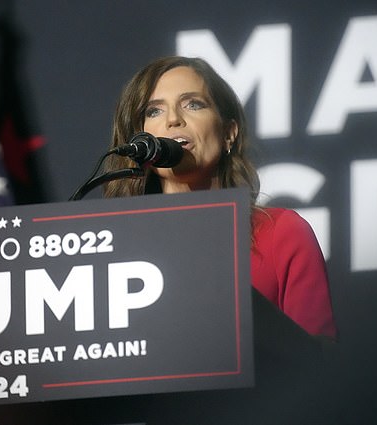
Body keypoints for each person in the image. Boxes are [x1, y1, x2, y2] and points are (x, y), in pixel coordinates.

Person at [103, 56, 337, 339]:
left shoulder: (281, 233)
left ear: (229, 133)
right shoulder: (114, 248)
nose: (173, 119)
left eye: (193, 104)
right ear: (138, 144)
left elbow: (316, 358)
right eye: (153, 111)